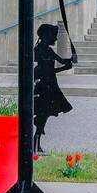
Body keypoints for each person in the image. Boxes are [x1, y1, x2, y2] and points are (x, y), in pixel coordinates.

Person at [32, 22, 74, 152]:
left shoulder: (49, 50)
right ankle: (35, 142)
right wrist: (64, 67)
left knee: (45, 113)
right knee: (43, 113)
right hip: (44, 86)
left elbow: (61, 61)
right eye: (53, 35)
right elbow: (44, 70)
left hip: (51, 85)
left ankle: (36, 141)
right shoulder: (39, 50)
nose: (55, 38)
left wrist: (70, 60)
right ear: (45, 36)